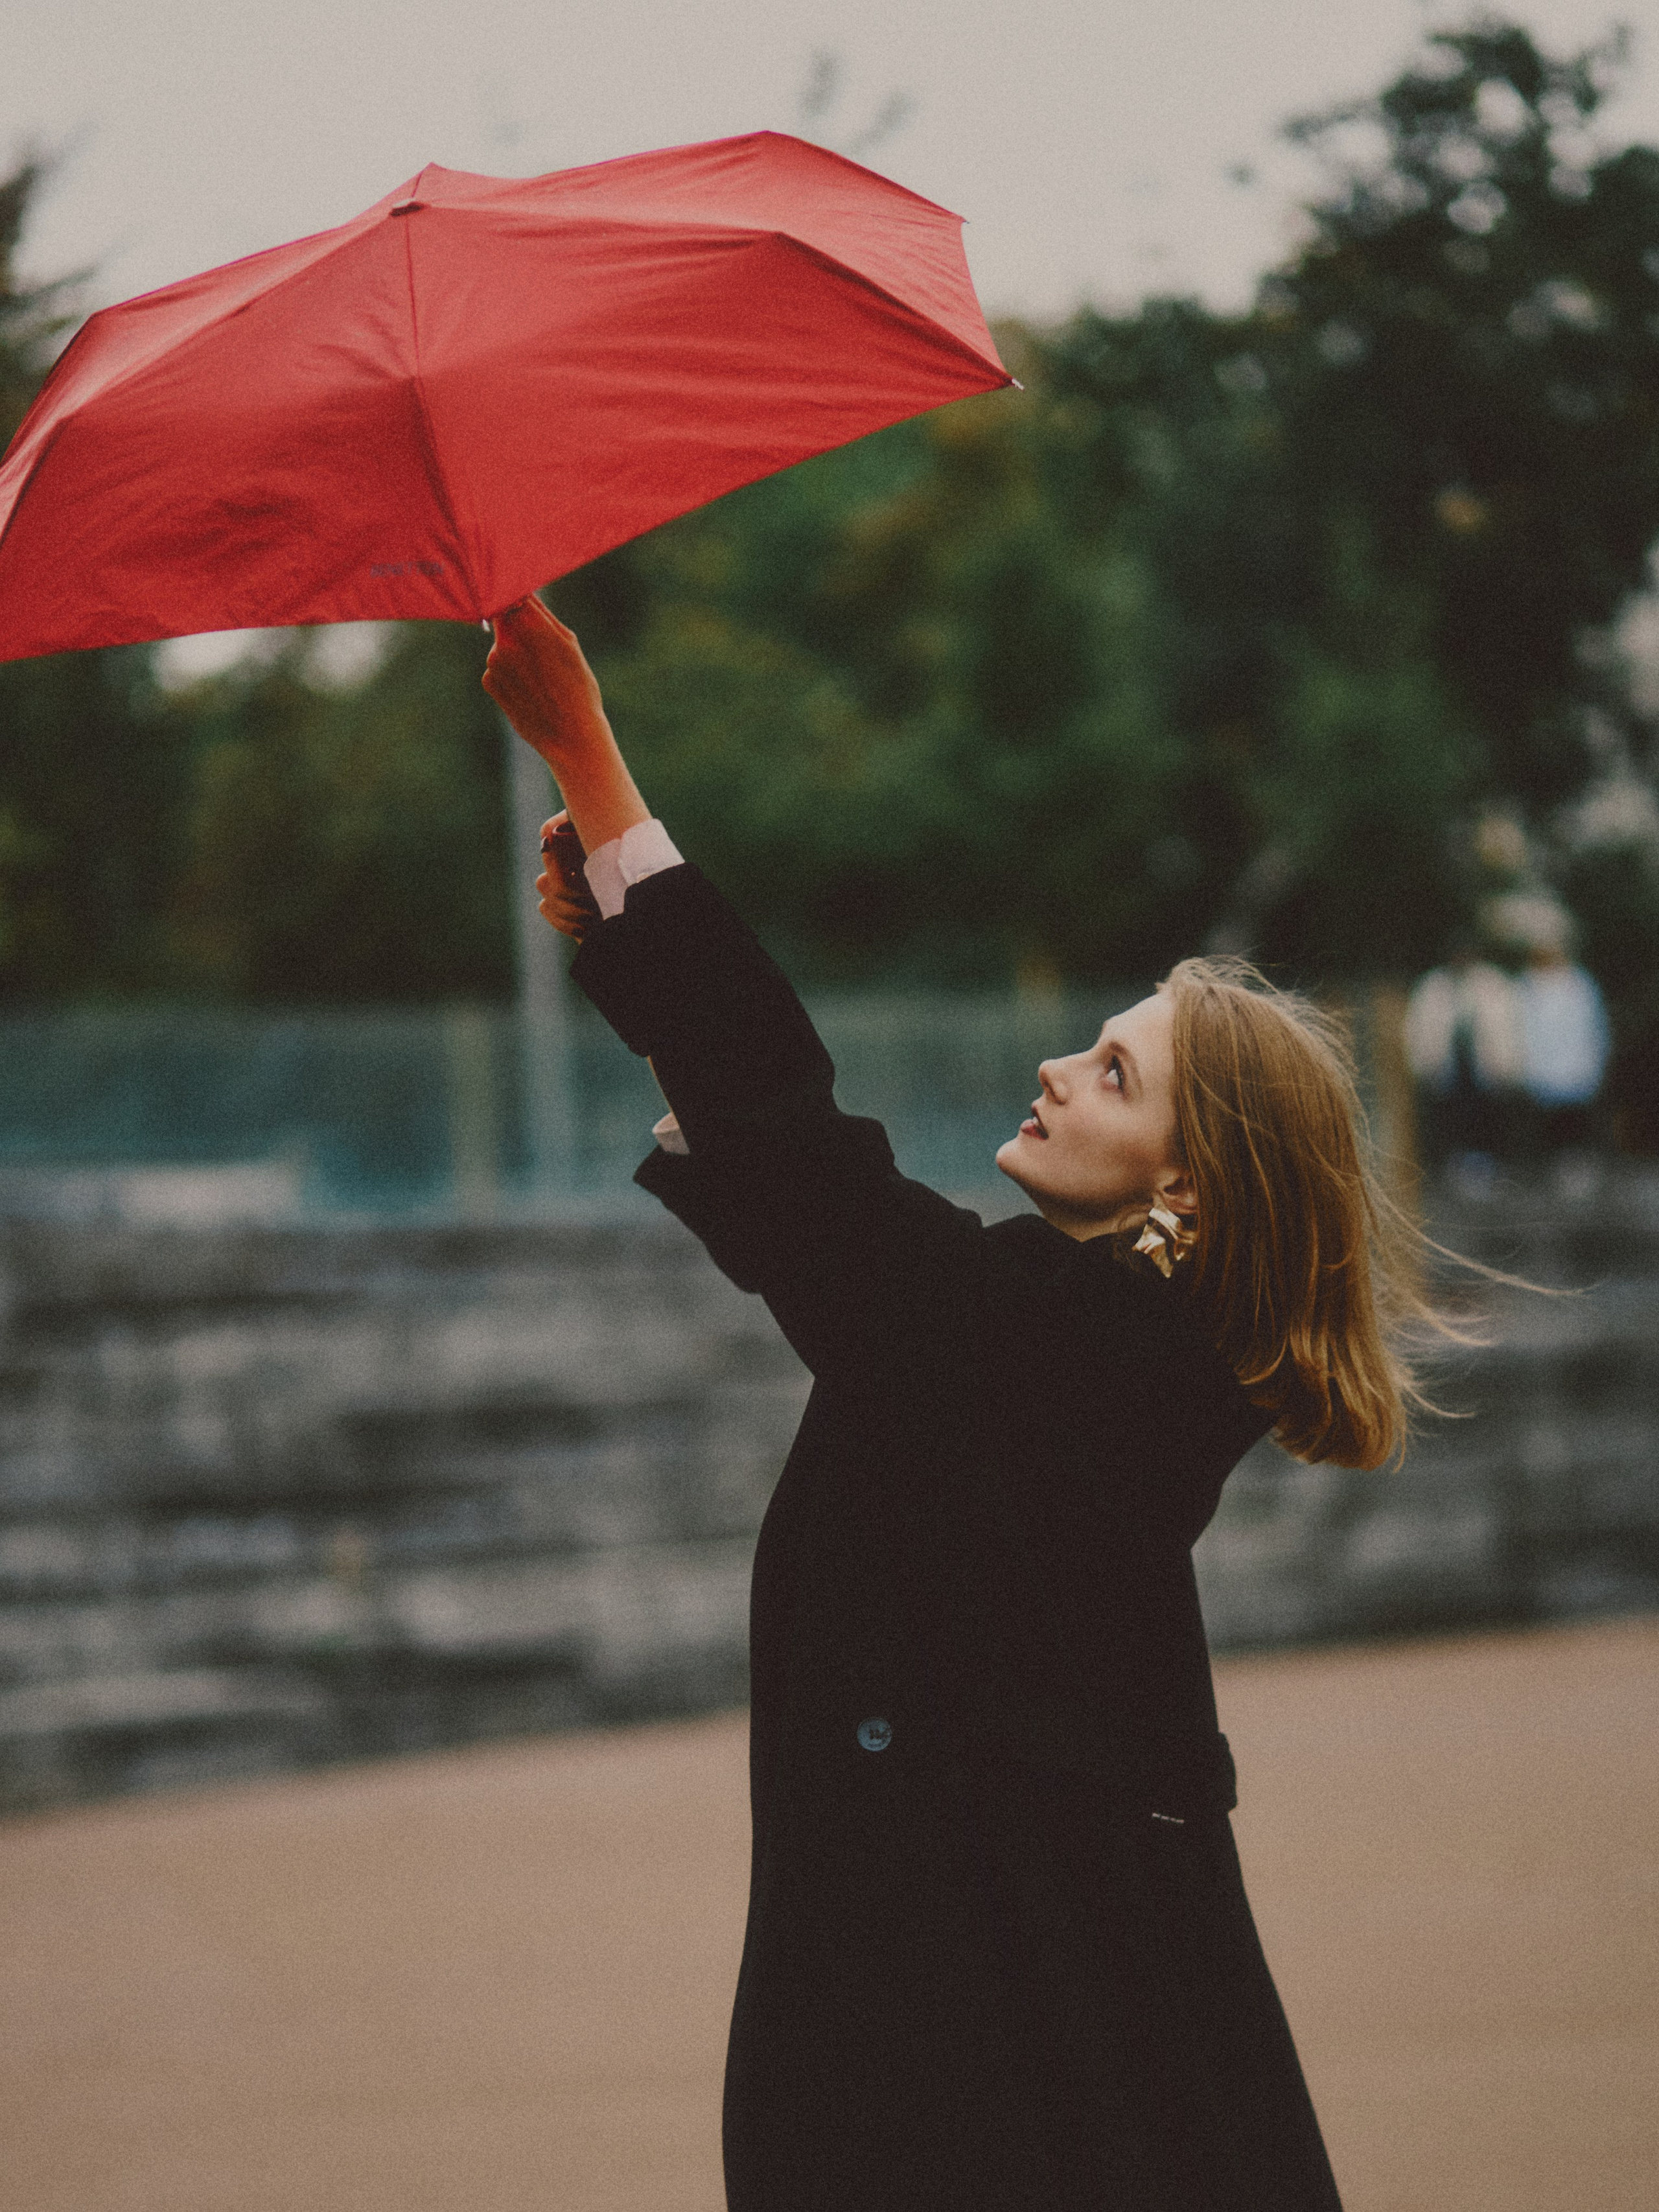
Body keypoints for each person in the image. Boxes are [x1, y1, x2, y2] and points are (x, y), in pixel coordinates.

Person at [484, 594, 1454, 2212]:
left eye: (1118, 1072)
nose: (1063, 1068)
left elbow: (827, 1204)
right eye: (1091, 1042)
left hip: (1002, 2073)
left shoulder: (1100, 1365)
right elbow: (835, 1247)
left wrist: (589, 753)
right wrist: (625, 926)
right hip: (1005, 2050)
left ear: (1194, 1194)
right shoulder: (1081, 1346)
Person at [1403, 937, 1524, 1182]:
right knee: (1451, 1116)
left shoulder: (1494, 983)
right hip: (1448, 1066)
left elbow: (1509, 1025)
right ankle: (1455, 1164)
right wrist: (1422, 1062)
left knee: (1487, 1115)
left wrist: (1509, 1062)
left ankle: (1485, 1165)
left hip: (1485, 1065)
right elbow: (1418, 1027)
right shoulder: (1434, 985)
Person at [1514, 921, 1611, 1162]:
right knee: (1543, 1119)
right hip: (1539, 1066)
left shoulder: (1580, 983)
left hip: (1576, 1065)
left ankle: (1575, 1160)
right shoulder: (1525, 985)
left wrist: (1595, 1059)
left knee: (1575, 1117)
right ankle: (1545, 1162)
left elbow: (1595, 1025)